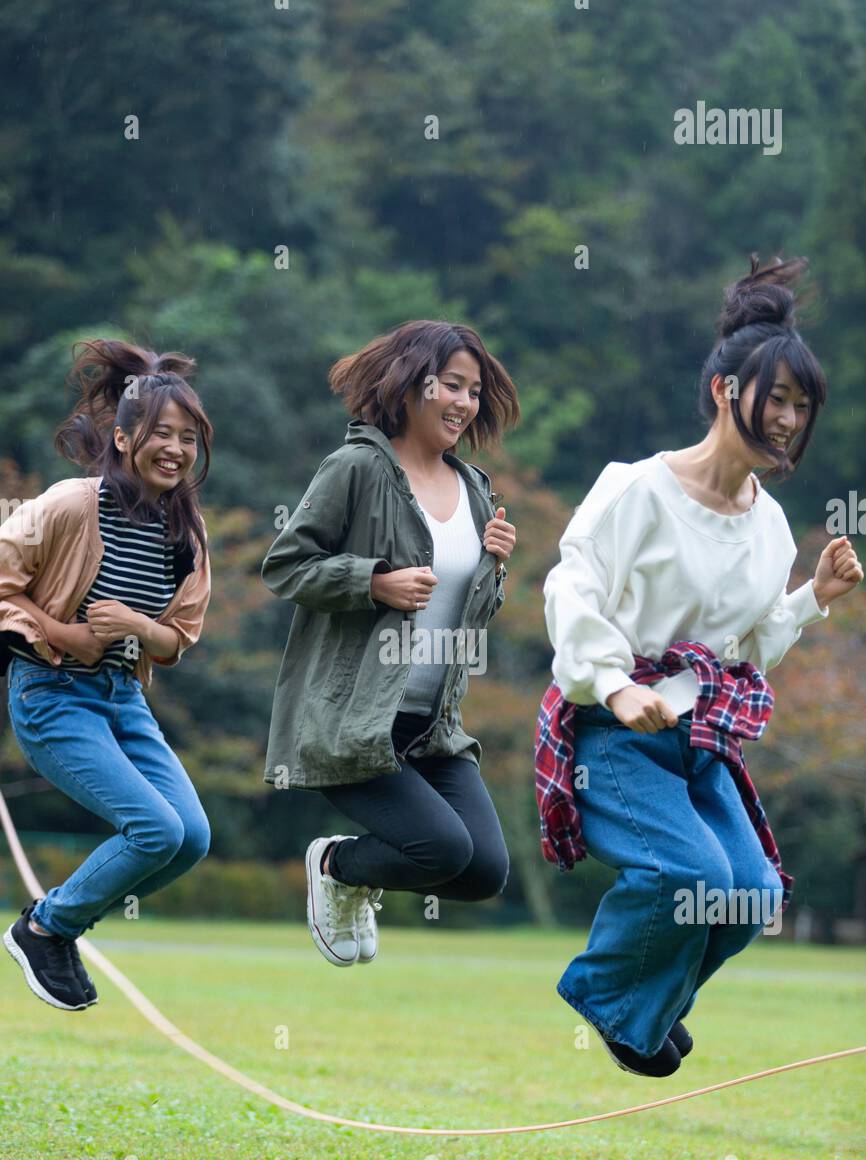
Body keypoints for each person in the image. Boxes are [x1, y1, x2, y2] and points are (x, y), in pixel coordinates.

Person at [540, 256, 863, 1077]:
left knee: (752, 893)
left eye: (802, 405)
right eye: (777, 398)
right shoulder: (638, 490)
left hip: (700, 740)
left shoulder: (771, 526)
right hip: (613, 735)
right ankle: (615, 1001)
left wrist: (810, 596)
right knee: (690, 871)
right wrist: (615, 684)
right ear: (725, 390)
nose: (790, 419)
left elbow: (748, 649)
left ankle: (647, 1009)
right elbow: (570, 592)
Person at [261, 320, 519, 966]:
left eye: (474, 390)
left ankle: (352, 874)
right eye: (451, 385)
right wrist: (373, 582)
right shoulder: (356, 468)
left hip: (432, 730)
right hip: (355, 722)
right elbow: (285, 565)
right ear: (411, 384)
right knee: (443, 848)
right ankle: (337, 866)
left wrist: (495, 569)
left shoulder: (478, 491)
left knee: (484, 869)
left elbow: (471, 615)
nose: (464, 402)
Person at [1, 339, 212, 1011]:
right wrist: (66, 635)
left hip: (124, 697)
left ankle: (54, 926)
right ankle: (46, 928)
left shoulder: (186, 532)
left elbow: (178, 637)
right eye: (160, 434)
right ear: (122, 438)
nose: (176, 449)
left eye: (188, 437)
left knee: (191, 839)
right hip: (51, 694)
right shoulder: (69, 504)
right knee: (155, 829)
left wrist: (136, 629)